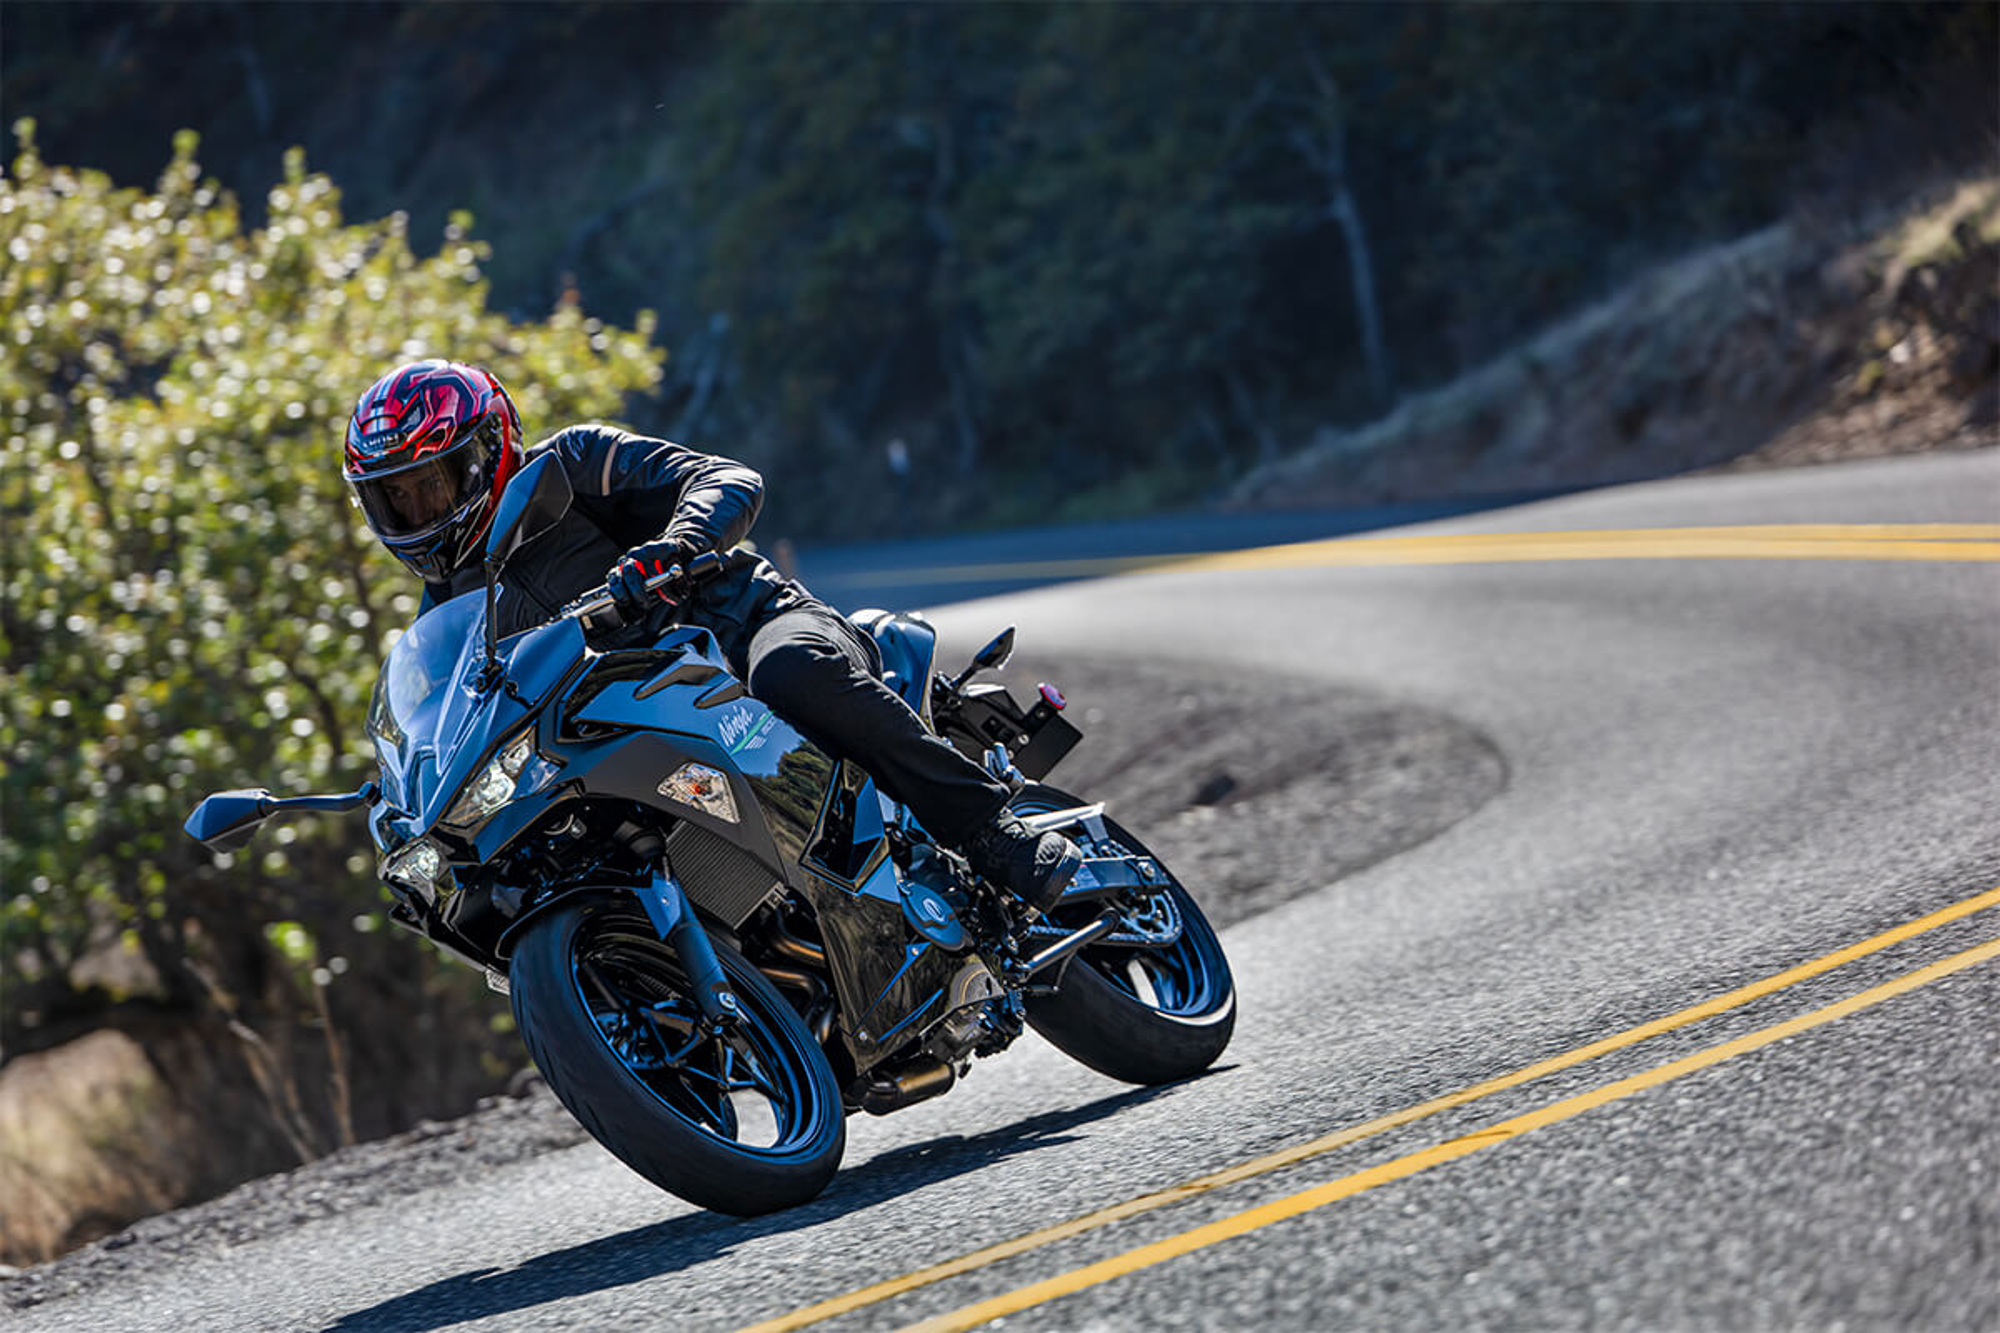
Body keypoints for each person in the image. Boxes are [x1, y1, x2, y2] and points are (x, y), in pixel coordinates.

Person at [341, 358, 1079, 912]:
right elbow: (447, 719)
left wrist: (677, 545)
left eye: (432, 481)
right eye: (395, 498)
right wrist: (406, 792)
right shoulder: (448, 610)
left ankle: (991, 829)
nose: (418, 508)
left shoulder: (571, 465)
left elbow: (724, 478)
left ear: (487, 449)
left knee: (789, 670)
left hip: (744, 631)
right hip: (639, 730)